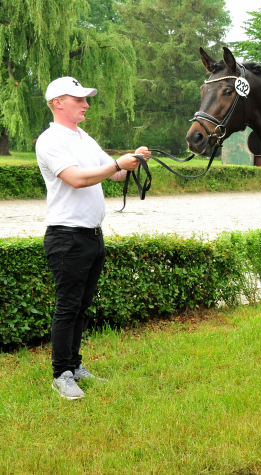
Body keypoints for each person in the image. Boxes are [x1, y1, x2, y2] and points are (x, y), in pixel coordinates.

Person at [36, 76, 149, 400]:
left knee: (81, 306)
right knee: (68, 307)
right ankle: (61, 374)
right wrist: (116, 162)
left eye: (86, 99)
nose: (86, 104)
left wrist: (134, 161)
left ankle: (75, 364)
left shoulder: (82, 136)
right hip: (66, 237)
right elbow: (75, 179)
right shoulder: (50, 140)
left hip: (91, 236)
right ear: (58, 102)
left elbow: (114, 173)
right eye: (78, 99)